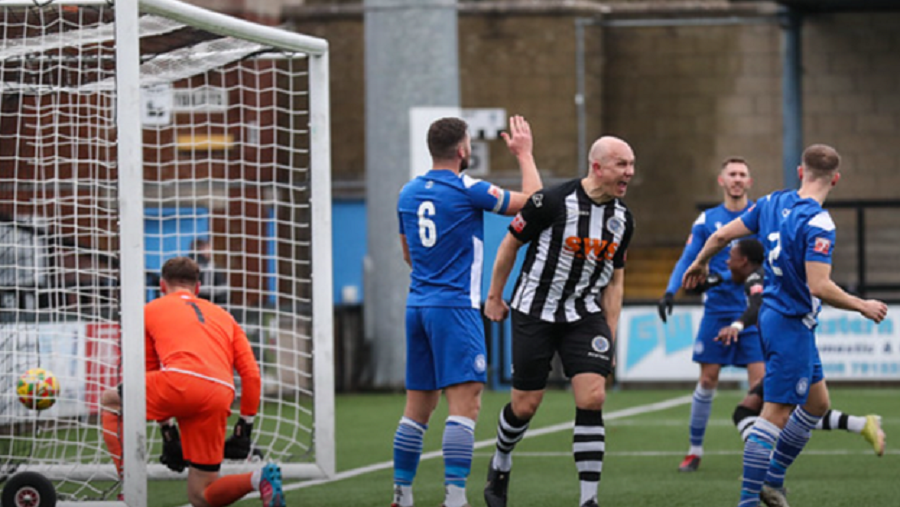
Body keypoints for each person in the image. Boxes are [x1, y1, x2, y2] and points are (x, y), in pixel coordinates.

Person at [683, 144, 888, 507]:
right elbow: (819, 285)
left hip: (777, 317)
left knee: (817, 403)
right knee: (774, 414)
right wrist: (862, 305)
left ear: (799, 172)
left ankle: (773, 481)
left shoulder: (770, 203)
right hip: (790, 321)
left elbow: (719, 237)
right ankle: (748, 501)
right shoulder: (819, 222)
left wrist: (699, 263)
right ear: (836, 180)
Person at [392, 115, 542, 507]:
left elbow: (408, 253)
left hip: (418, 305)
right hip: (455, 308)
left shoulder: (407, 192)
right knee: (466, 403)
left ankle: (402, 495)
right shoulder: (466, 188)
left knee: (416, 409)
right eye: (470, 144)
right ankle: (455, 497)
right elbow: (535, 205)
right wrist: (524, 154)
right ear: (461, 150)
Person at [482, 136, 635, 507]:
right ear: (597, 167)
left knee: (593, 396)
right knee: (525, 405)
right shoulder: (549, 202)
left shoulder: (622, 219)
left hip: (584, 315)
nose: (629, 173)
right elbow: (509, 245)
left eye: (632, 165)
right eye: (622, 165)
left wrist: (610, 335)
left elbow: (616, 281)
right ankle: (501, 459)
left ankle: (588, 499)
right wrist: (494, 296)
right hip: (535, 310)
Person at [100, 257, 284, 507]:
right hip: (220, 392)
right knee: (201, 495)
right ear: (197, 288)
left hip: (179, 382)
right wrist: (245, 426)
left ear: (162, 286)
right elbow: (251, 373)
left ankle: (127, 483)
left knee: (111, 402)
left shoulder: (149, 310)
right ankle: (257, 478)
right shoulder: (224, 316)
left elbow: (149, 373)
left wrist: (168, 433)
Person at [695, 238, 886, 455]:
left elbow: (757, 306)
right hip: (790, 347)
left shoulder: (756, 278)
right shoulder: (769, 274)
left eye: (731, 258)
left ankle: (760, 458)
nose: (728, 263)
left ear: (744, 261)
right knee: (792, 411)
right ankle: (861, 424)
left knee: (758, 413)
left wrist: (737, 326)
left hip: (786, 351)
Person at [657, 157, 764, 472]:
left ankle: (758, 452)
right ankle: (694, 450)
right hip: (716, 311)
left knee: (759, 385)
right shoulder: (707, 220)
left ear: (749, 181)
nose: (737, 179)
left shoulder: (759, 216)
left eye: (743, 174)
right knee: (707, 379)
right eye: (732, 174)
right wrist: (669, 291)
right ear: (721, 180)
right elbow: (687, 258)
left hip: (752, 312)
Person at [191, 238, 230, 306]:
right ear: (202, 249)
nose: (211, 251)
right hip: (209, 304)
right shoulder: (210, 267)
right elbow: (211, 290)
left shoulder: (186, 265)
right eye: (208, 247)